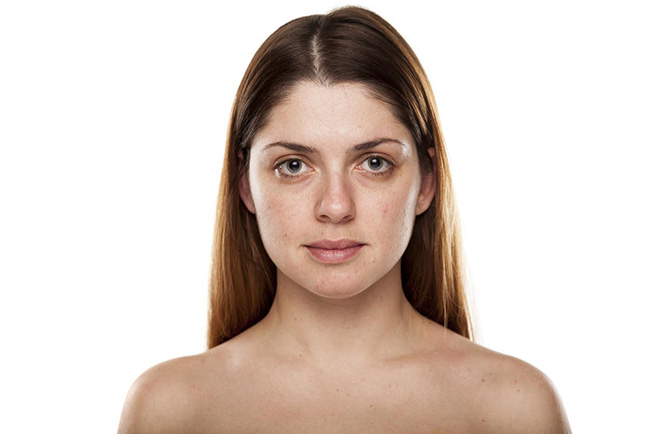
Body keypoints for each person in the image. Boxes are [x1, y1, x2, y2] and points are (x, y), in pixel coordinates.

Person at [118, 6, 570, 433]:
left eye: (374, 163)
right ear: (245, 184)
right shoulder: (169, 410)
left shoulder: (514, 409)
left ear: (426, 182)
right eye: (294, 165)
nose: (335, 207)